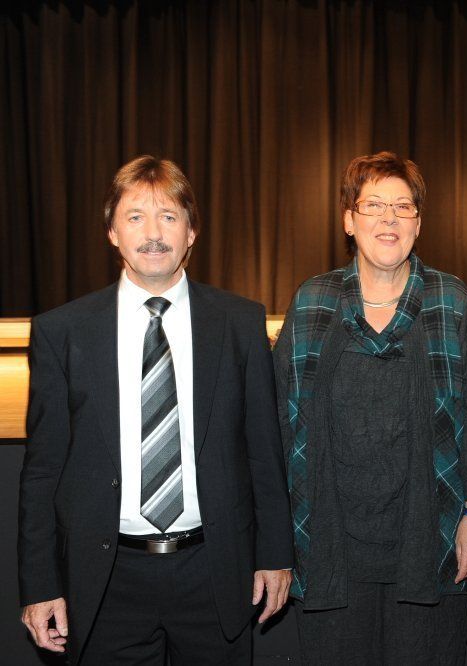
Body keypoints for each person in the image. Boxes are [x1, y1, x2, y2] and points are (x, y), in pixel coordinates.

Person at [18, 156, 294, 664]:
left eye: (168, 216)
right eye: (135, 216)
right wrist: (39, 583)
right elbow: (43, 469)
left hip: (215, 571)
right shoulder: (62, 331)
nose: (153, 233)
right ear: (112, 232)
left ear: (191, 232)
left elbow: (263, 449)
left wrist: (276, 554)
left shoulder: (240, 323)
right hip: (106, 579)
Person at [273, 151, 467, 665]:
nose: (388, 219)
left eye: (403, 206)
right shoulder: (313, 301)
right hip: (328, 544)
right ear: (349, 220)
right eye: (373, 205)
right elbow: (280, 422)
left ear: (419, 223)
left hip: (432, 538)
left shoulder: (451, 300)